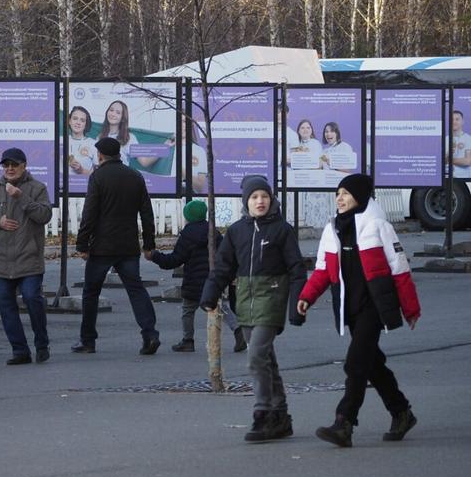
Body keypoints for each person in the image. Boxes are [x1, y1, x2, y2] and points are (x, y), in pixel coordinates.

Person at [297, 173, 421, 448]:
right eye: (337, 194)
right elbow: (322, 270)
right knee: (372, 364)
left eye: (345, 193)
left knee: (355, 364)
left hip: (373, 308)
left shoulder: (378, 227)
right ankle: (402, 412)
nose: (339, 198)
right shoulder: (332, 230)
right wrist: (307, 297)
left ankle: (344, 423)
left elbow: (400, 269)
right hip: (349, 307)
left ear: (360, 196)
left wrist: (410, 308)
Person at [200, 175, 307, 442]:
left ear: (272, 200)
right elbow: (223, 266)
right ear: (246, 201)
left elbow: (296, 270)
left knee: (255, 356)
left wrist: (297, 304)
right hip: (244, 300)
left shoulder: (282, 230)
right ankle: (280, 415)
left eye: (265, 196)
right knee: (266, 359)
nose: (260, 201)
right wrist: (210, 294)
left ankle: (262, 414)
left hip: (271, 298)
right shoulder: (237, 231)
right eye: (254, 197)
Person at [73, 137, 161, 355]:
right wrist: (149, 243)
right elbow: (147, 213)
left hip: (102, 247)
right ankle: (150, 334)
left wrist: (82, 244)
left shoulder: (98, 177)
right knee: (136, 290)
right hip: (128, 245)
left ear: (101, 155)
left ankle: (88, 340)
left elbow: (89, 213)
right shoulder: (135, 176)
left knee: (91, 292)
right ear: (119, 154)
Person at [0, 147, 52, 365]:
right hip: (2, 261)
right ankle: (20, 351)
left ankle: (42, 344)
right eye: (6, 165)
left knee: (31, 298)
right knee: (6, 308)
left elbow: (44, 215)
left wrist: (22, 198)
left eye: (14, 165)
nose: (9, 169)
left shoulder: (37, 188)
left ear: (24, 166)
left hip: (29, 258)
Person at [146, 199, 245, 353]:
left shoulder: (187, 235)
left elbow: (175, 259)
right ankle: (238, 330)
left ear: (188, 217)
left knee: (188, 310)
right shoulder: (214, 232)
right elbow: (226, 254)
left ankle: (188, 340)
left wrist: (155, 256)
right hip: (213, 279)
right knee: (219, 306)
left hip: (193, 281)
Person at [97, 100, 138, 167]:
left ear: (123, 118)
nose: (113, 114)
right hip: (102, 176)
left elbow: (144, 161)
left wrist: (161, 148)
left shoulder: (129, 138)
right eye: (111, 110)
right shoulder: (100, 137)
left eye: (118, 112)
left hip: (121, 176)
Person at [67, 106, 98, 176]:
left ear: (86, 124)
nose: (78, 122)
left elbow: (99, 175)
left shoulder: (93, 144)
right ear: (69, 121)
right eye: (75, 118)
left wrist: (81, 170)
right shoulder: (60, 141)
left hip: (84, 185)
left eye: (82, 120)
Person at [450, 110, 471, 179]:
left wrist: (449, 159)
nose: (454, 122)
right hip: (448, 178)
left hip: (463, 178)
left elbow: (468, 161)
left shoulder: (468, 139)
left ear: (462, 122)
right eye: (452, 119)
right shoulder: (446, 139)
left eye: (457, 119)